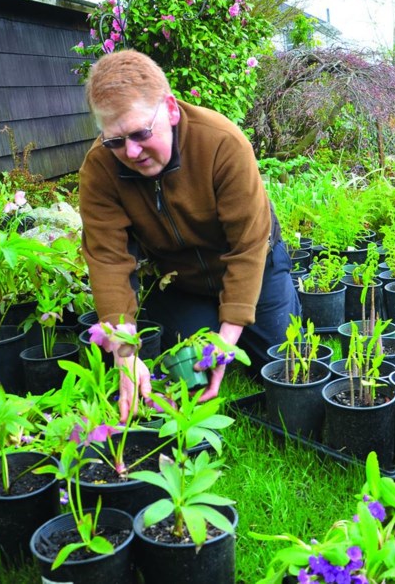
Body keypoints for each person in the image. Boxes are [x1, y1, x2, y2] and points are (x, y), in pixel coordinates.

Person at [78, 50, 301, 422]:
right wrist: (124, 354)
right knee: (185, 366)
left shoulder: (221, 143)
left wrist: (225, 340)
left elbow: (248, 246)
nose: (130, 152)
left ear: (170, 109)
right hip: (182, 279)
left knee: (280, 364)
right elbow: (107, 260)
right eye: (115, 141)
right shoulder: (100, 169)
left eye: (140, 133)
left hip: (256, 265)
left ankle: (270, 310)